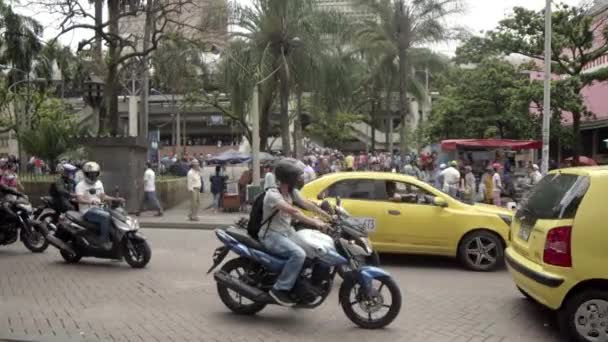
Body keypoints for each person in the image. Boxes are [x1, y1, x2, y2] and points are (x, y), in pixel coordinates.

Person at [260, 159, 332, 306]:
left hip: (287, 232)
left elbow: (307, 204)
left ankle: (301, 285)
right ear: (289, 178)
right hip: (272, 235)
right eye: (297, 177)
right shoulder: (273, 195)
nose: (300, 179)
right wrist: (315, 222)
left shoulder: (291, 192)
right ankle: (279, 289)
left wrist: (327, 215)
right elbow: (293, 212)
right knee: (298, 254)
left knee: (313, 249)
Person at [75, 162, 124, 250]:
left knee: (118, 212)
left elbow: (103, 197)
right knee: (105, 217)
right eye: (90, 174)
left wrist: (116, 199)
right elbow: (79, 199)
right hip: (87, 210)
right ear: (85, 174)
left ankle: (117, 240)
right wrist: (90, 202)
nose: (92, 176)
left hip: (100, 206)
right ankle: (103, 241)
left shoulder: (99, 183)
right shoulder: (80, 185)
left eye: (94, 173)